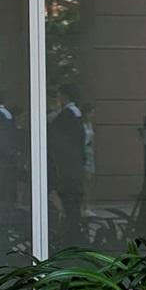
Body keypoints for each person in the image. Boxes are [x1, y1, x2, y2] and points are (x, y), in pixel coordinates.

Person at [48, 83, 87, 243]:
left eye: (59, 96)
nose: (58, 100)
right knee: (72, 204)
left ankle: (72, 237)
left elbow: (58, 141)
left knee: (70, 203)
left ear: (65, 96)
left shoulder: (67, 116)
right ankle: (73, 235)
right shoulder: (75, 115)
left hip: (67, 169)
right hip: (74, 168)